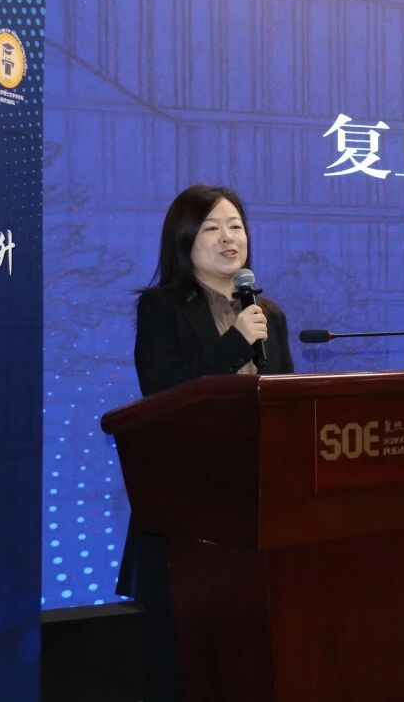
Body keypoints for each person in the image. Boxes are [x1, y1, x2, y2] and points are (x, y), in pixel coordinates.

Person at [118, 184, 295, 702]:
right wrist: (236, 339)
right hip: (189, 499)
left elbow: (285, 399)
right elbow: (164, 390)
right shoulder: (162, 307)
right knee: (185, 646)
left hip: (257, 494)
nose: (227, 238)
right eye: (212, 228)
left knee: (252, 641)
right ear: (184, 239)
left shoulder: (269, 315)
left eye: (235, 226)